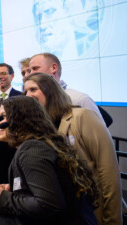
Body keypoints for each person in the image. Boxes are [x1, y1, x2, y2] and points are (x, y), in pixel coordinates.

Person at [24, 73, 122, 224]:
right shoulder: (42, 129)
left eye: (33, 89)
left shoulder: (82, 116)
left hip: (93, 210)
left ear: (50, 91)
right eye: (25, 91)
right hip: (67, 214)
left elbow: (108, 172)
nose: (28, 95)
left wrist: (112, 220)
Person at [0, 96, 98, 225]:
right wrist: (17, 191)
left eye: (3, 117)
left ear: (21, 119)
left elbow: (49, 205)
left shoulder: (32, 150)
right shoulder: (37, 145)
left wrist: (4, 199)